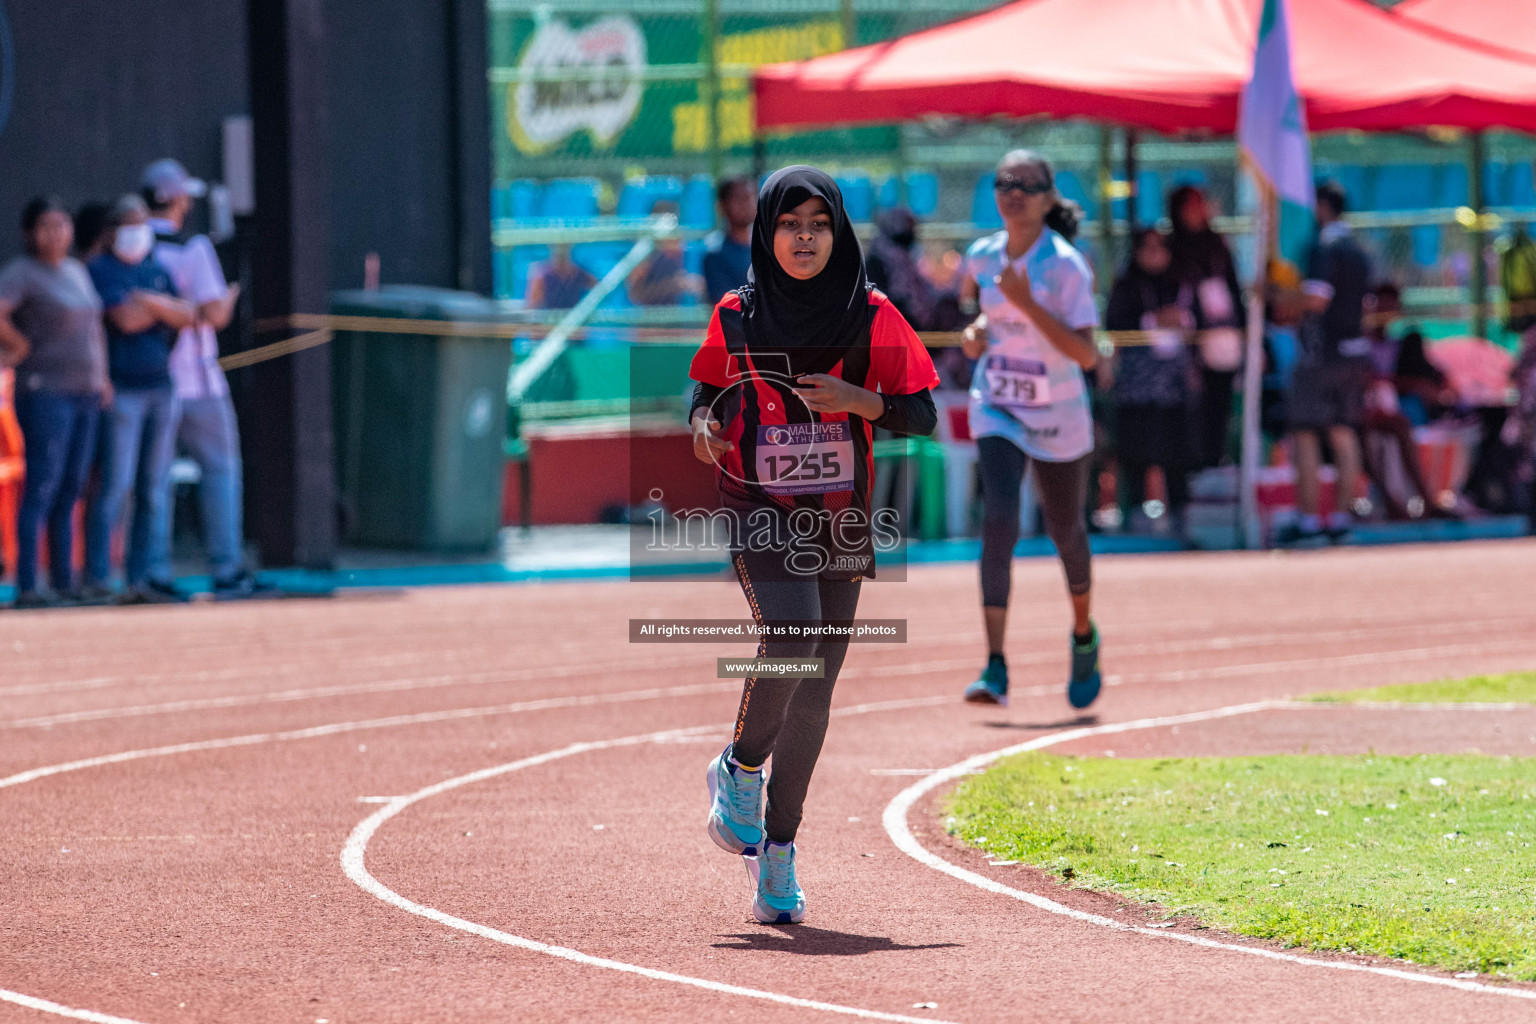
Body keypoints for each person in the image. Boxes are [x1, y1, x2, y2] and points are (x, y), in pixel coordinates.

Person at [688, 166, 938, 924]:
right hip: (760, 505)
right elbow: (705, 393)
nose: (805, 238)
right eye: (790, 224)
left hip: (842, 516)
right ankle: (739, 767)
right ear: (766, 233)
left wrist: (862, 401)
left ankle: (779, 851)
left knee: (817, 690)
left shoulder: (873, 316)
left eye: (819, 224)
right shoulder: (736, 315)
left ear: (838, 232)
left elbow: (921, 413)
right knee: (791, 633)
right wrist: (702, 427)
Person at [956, 150, 1103, 710]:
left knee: (1067, 530)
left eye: (1029, 185)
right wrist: (974, 333)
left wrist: (1025, 303)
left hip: (1059, 416)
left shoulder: (1066, 266)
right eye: (1005, 183)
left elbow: (1086, 354)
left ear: (1048, 198)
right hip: (998, 405)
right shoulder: (980, 255)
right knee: (999, 520)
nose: (1015, 192)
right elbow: (983, 320)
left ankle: (1084, 633)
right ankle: (995, 665)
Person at [143, 158, 272, 598]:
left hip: (150, 382)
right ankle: (227, 569)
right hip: (196, 382)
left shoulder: (135, 249)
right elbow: (215, 313)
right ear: (175, 199)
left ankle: (153, 572)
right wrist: (227, 298)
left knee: (154, 480)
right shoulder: (192, 248)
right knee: (220, 472)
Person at [0, 198, 110, 607]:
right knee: (42, 486)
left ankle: (66, 580)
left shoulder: (77, 271)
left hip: (86, 391)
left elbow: (94, 327)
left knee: (72, 488)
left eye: (62, 224)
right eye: (46, 226)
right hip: (46, 390)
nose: (56, 233)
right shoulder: (22, 273)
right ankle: (29, 583)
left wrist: (104, 378)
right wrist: (18, 343)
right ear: (30, 232)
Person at [85, 195, 196, 602]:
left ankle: (141, 577)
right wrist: (160, 308)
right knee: (115, 486)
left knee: (154, 488)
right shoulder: (100, 270)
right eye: (128, 224)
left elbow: (188, 315)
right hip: (122, 390)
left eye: (142, 224)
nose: (137, 233)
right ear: (112, 231)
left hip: (160, 387)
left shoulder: (155, 269)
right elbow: (126, 320)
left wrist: (149, 301)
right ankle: (98, 577)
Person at [1278, 181, 1371, 545]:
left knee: (1305, 432)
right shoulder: (1358, 250)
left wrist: (1273, 293)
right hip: (1354, 352)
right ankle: (1344, 516)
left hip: (1323, 355)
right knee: (1344, 432)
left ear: (1321, 206)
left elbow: (1316, 299)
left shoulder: (1325, 248)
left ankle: (1308, 519)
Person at [1105, 227, 1194, 537]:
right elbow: (1114, 326)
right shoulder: (1126, 285)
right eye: (1148, 248)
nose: (1155, 255)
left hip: (1173, 385)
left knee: (1175, 449)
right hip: (1137, 386)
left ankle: (1180, 514)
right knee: (1136, 448)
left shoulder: (1178, 283)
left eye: (1161, 248)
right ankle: (1135, 513)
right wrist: (1153, 321)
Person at [1167, 185, 1246, 469]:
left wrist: (1245, 331)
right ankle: (1190, 465)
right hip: (1187, 342)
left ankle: (1216, 458)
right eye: (1191, 206)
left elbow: (1234, 289)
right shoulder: (1174, 248)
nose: (1198, 212)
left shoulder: (1217, 244)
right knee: (1192, 404)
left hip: (1222, 336)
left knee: (1219, 402)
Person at [1359, 283, 1452, 520]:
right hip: (1360, 411)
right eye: (1381, 305)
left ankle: (1426, 501)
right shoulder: (1358, 343)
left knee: (1401, 424)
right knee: (1374, 433)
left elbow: (1430, 378)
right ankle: (1394, 503)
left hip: (1395, 410)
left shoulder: (1403, 344)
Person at [628, 201, 700, 306]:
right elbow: (635, 294)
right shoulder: (643, 254)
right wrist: (673, 285)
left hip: (676, 316)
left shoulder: (678, 248)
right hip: (650, 318)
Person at [702, 175, 755, 303]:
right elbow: (727, 308)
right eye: (740, 198)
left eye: (751, 196)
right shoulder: (716, 255)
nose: (747, 203)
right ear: (723, 205)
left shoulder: (769, 248)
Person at [525, 245, 595, 310]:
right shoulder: (541, 275)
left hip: (574, 320)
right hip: (550, 322)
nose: (561, 248)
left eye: (564, 245)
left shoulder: (579, 273)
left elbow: (599, 290)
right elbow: (533, 306)